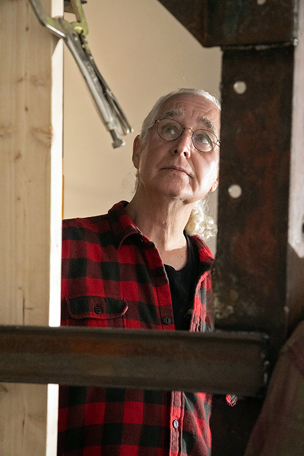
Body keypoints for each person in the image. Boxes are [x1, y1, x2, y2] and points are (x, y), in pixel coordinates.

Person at [58, 88, 221, 456]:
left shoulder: (227, 291)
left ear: (215, 178)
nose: (183, 147)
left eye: (204, 138)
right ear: (137, 151)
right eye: (169, 128)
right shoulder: (64, 246)